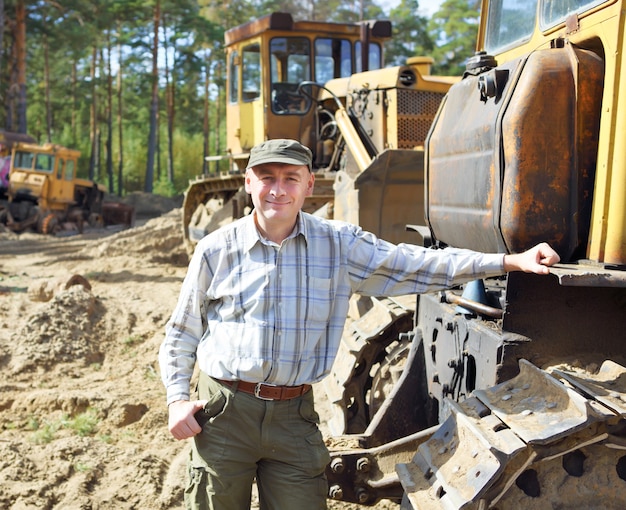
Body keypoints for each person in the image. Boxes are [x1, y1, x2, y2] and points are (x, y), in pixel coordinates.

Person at [159, 138, 560, 510]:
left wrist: (508, 261)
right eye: (266, 178)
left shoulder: (337, 244)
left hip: (292, 416)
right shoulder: (217, 250)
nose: (277, 190)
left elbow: (416, 264)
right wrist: (177, 399)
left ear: (309, 184)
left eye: (290, 179)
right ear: (249, 182)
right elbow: (182, 331)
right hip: (226, 412)